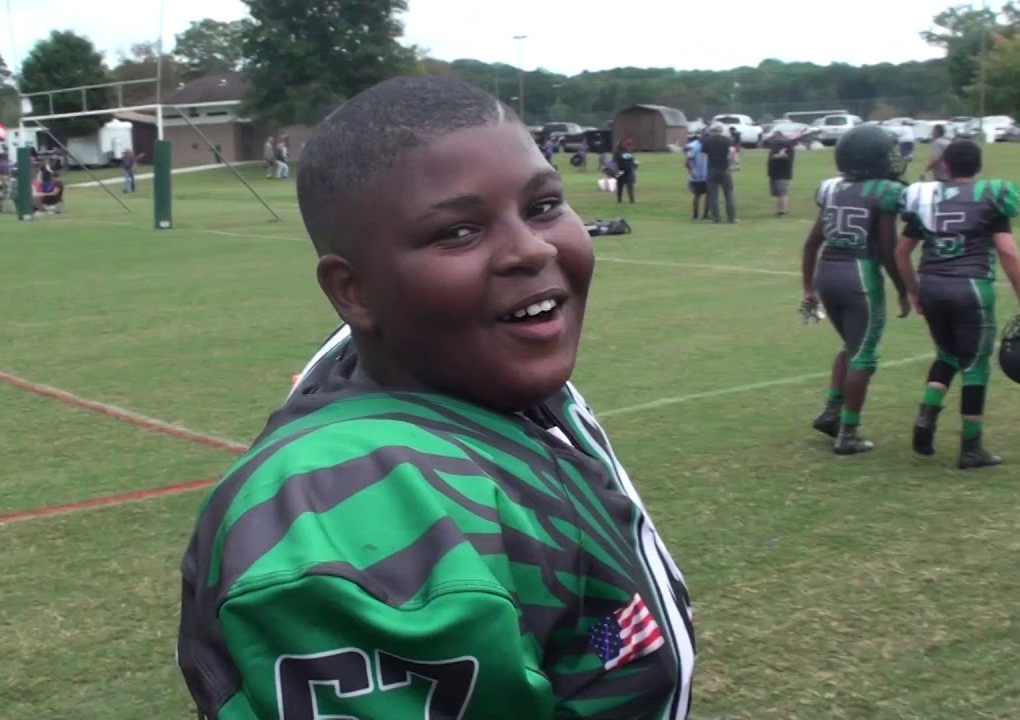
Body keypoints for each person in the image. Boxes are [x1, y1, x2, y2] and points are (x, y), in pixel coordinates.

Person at [177, 75, 695, 720]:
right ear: (355, 292)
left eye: (542, 206)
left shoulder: (481, 367)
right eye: (457, 232)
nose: (532, 248)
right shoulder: (352, 515)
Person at [894, 139, 1020, 469]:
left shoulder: (926, 199)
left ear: (947, 166)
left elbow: (901, 253)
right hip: (970, 286)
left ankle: (927, 415)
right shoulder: (991, 198)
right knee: (975, 365)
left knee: (946, 354)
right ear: (979, 166)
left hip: (931, 283)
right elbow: (1008, 251)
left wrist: (914, 291)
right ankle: (971, 447)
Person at [800, 124, 911, 455]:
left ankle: (832, 411)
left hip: (827, 272)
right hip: (859, 275)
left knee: (850, 346)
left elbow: (810, 244)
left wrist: (808, 288)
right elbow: (888, 248)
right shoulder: (883, 192)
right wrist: (904, 289)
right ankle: (848, 432)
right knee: (864, 353)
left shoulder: (832, 189)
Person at [701, 124, 736, 224]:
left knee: (713, 195)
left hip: (712, 169)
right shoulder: (727, 141)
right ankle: (731, 218)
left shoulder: (707, 141)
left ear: (712, 131)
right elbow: (732, 154)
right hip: (725, 170)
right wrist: (731, 165)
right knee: (729, 194)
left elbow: (704, 156)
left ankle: (716, 218)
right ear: (721, 131)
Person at [765, 129, 796, 216]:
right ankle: (779, 210)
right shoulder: (775, 146)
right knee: (777, 193)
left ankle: (783, 211)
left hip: (783, 173)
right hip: (774, 173)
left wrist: (778, 156)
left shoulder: (786, 145)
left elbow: (786, 158)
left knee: (782, 193)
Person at [685, 131, 709, 220]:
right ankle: (695, 214)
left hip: (707, 175)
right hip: (697, 176)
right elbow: (688, 161)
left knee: (709, 195)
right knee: (697, 195)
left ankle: (706, 214)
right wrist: (692, 172)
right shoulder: (694, 146)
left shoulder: (709, 146)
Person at [613, 137, 637, 203]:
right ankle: (628, 200)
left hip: (624, 171)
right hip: (625, 171)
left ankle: (623, 200)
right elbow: (632, 162)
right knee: (626, 187)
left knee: (623, 186)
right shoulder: (628, 152)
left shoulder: (619, 152)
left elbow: (615, 162)